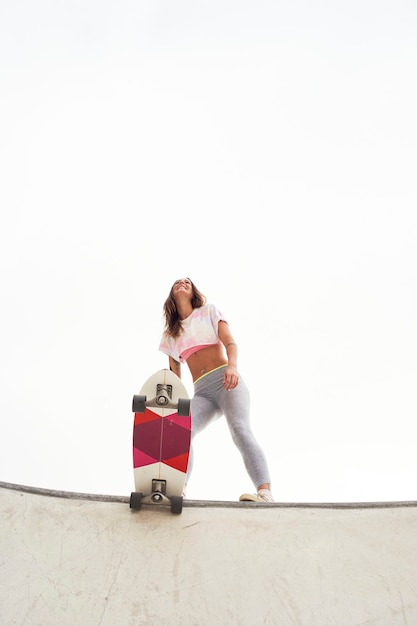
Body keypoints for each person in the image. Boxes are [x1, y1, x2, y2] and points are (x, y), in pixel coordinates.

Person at [159, 277, 274, 503]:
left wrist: (232, 367)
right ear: (172, 294)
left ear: (194, 292)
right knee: (182, 430)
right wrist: (173, 405)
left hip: (227, 381)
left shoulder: (209, 312)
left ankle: (265, 493)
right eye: (177, 283)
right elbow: (174, 376)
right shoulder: (170, 334)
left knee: (240, 429)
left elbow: (230, 342)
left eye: (187, 282)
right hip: (202, 393)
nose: (182, 283)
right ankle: (179, 489)